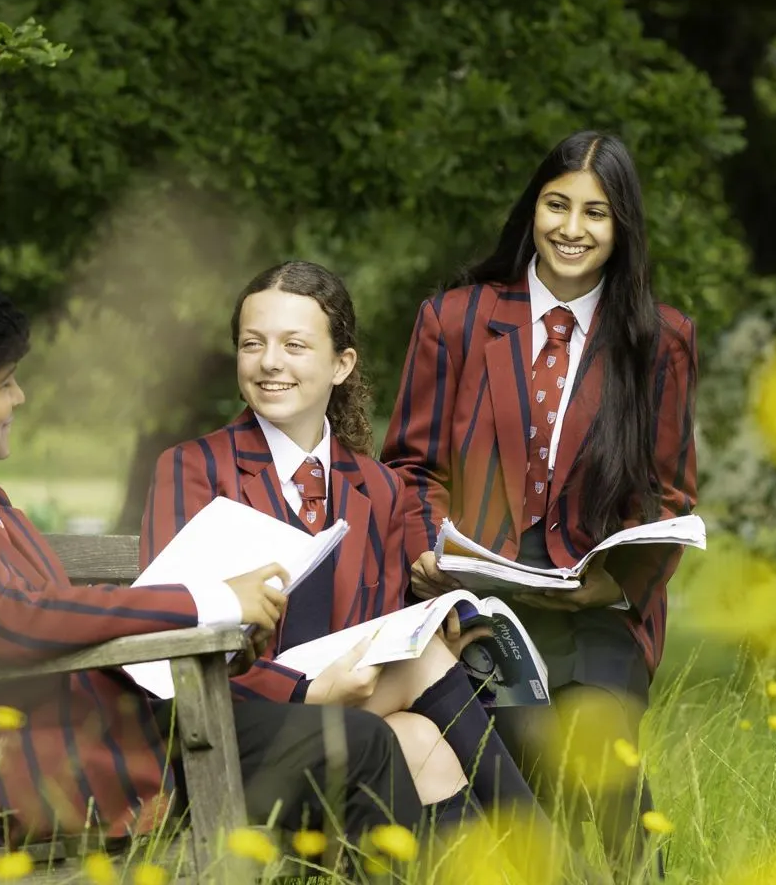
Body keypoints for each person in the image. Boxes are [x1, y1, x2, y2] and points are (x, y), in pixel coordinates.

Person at [0, 271, 421, 850]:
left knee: (362, 741)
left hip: (91, 734)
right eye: (4, 383)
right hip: (34, 770)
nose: (20, 397)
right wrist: (210, 600)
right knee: (358, 746)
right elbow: (10, 615)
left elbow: (30, 610)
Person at [383, 130, 699, 875]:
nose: (571, 228)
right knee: (524, 743)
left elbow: (666, 493)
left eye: (596, 212)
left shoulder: (660, 338)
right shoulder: (455, 320)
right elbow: (409, 465)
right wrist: (428, 548)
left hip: (595, 599)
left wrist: (617, 581)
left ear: (621, 228)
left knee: (605, 761)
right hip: (475, 587)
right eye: (557, 205)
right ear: (532, 210)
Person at [139, 259, 545, 827]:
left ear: (341, 364)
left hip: (355, 718)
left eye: (295, 345)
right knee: (421, 686)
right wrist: (308, 690)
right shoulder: (193, 470)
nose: (270, 362)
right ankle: (548, 850)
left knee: (419, 737)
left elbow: (378, 629)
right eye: (252, 343)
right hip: (230, 722)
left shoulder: (377, 487)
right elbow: (176, 637)